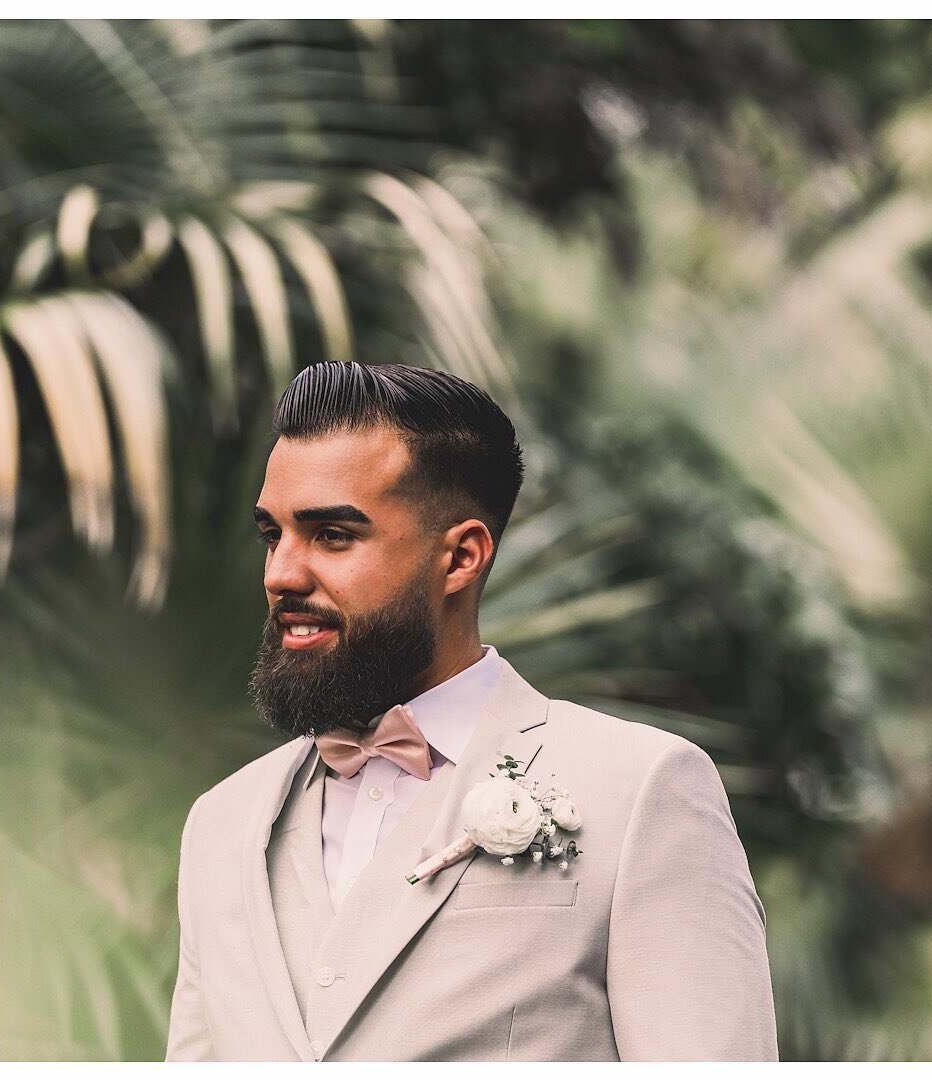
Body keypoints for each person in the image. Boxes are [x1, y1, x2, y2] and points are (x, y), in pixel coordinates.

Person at [165, 360, 778, 1062]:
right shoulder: (220, 824)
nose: (281, 574)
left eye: (332, 535)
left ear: (460, 558)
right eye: (273, 535)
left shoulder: (643, 791)